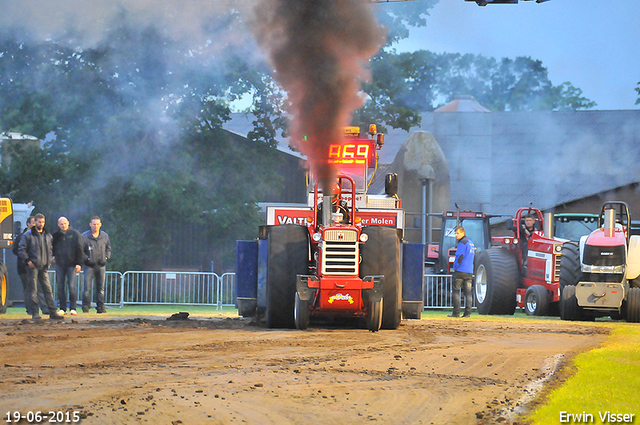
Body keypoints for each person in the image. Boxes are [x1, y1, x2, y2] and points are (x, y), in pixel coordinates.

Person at [17, 213, 65, 321]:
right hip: (32, 267)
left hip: (43, 267)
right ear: (35, 222)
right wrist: (28, 260)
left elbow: (50, 250)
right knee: (32, 290)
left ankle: (52, 312)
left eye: (43, 222)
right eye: (39, 222)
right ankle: (35, 313)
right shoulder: (28, 235)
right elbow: (21, 249)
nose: (41, 224)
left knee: (48, 290)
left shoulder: (48, 235)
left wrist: (48, 261)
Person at [12, 216, 51, 316]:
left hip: (39, 265)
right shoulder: (23, 236)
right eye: (33, 223)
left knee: (41, 288)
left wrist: (47, 262)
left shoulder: (43, 235)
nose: (35, 225)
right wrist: (27, 259)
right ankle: (30, 309)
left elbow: (48, 249)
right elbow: (17, 249)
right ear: (28, 224)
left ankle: (45, 308)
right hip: (25, 266)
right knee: (29, 289)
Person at [52, 217, 84, 316]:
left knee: (71, 286)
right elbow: (51, 247)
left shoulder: (75, 234)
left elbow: (80, 249)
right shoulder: (55, 235)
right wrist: (53, 257)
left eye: (65, 223)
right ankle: (62, 308)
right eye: (61, 224)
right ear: (58, 224)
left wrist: (79, 263)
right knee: (60, 287)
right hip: (60, 264)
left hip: (72, 264)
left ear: (68, 223)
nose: (63, 225)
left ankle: (73, 308)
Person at [82, 216, 111, 313]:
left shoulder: (105, 236)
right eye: (94, 224)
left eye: (97, 224)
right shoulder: (84, 236)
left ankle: (100, 307)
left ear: (100, 225)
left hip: (101, 265)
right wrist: (87, 259)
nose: (96, 226)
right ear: (90, 224)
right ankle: (86, 307)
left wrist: (106, 257)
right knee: (87, 288)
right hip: (89, 266)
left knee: (101, 288)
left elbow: (108, 248)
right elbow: (80, 251)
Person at [449, 226, 475, 318]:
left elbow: (460, 256)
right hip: (469, 271)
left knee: (456, 291)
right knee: (468, 293)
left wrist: (455, 267)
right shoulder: (471, 243)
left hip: (460, 271)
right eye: (455, 233)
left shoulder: (462, 243)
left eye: (458, 233)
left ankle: (456, 313)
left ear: (463, 233)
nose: (456, 235)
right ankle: (467, 313)